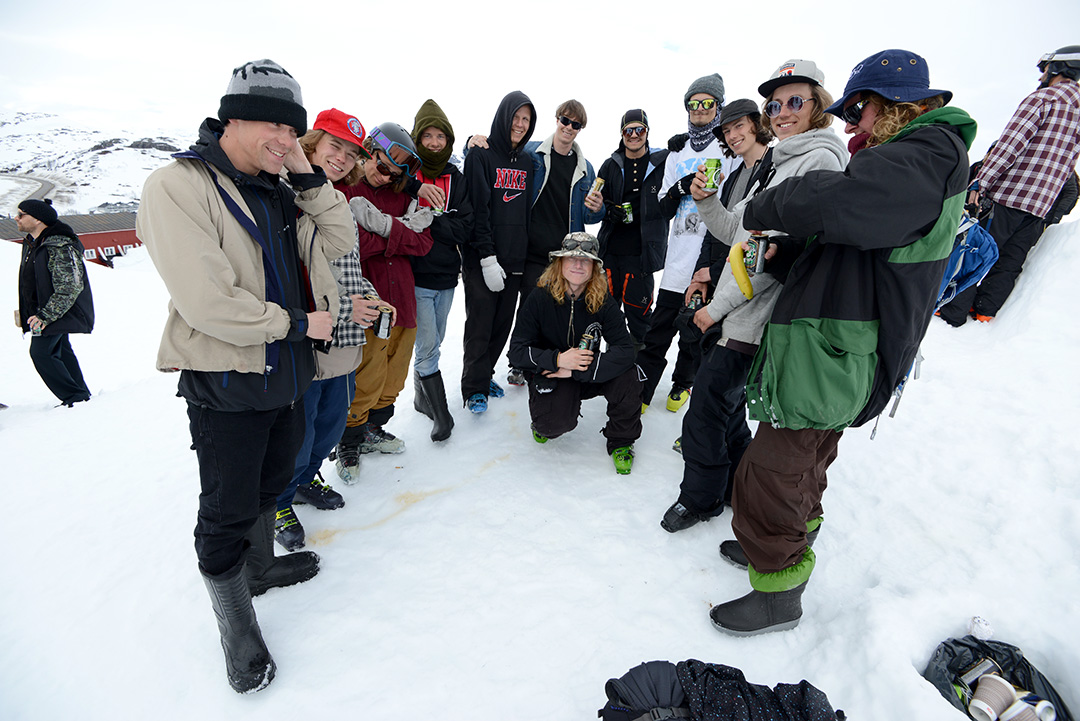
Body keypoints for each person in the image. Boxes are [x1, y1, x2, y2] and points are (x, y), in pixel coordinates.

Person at [707, 49, 975, 636]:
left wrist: (771, 204)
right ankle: (783, 542)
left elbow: (847, 203)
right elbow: (855, 245)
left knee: (771, 470)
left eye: (858, 109)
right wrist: (789, 251)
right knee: (806, 459)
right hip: (835, 339)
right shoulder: (914, 159)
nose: (852, 122)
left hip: (838, 343)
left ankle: (778, 591)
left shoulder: (927, 152)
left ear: (895, 104)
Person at [136, 59, 356, 690]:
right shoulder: (178, 185)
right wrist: (298, 324)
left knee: (271, 483)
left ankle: (259, 570)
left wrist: (306, 172)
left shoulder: (281, 189)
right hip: (227, 381)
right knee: (226, 511)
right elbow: (208, 303)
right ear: (230, 119)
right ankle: (237, 627)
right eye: (272, 125)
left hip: (286, 376)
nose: (284, 139)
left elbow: (340, 238)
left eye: (292, 129)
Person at [661, 62, 847, 534]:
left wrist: (715, 309)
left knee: (705, 411)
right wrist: (706, 199)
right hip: (739, 310)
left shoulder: (819, 163)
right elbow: (734, 230)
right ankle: (730, 490)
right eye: (774, 104)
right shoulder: (780, 163)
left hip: (757, 316)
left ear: (818, 105)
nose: (782, 112)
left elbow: (775, 255)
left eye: (795, 102)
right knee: (724, 410)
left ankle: (701, 499)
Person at [273, 108, 395, 552]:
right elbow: (293, 276)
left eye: (351, 152)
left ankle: (306, 480)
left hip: (344, 344)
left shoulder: (339, 200)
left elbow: (348, 267)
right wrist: (347, 307)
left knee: (328, 427)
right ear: (311, 145)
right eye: (334, 146)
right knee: (298, 433)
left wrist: (369, 296)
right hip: (307, 341)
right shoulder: (285, 195)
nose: (342, 158)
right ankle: (279, 501)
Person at [939, 45, 1080, 326]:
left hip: (1009, 195)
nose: (1041, 76)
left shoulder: (1044, 99)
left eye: (1045, 69)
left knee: (977, 250)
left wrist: (980, 183)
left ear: (1059, 67)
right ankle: (984, 312)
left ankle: (952, 312)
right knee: (1011, 261)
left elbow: (1009, 146)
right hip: (1040, 205)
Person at [334, 124, 433, 480]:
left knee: (394, 374)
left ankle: (372, 429)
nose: (384, 174)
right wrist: (400, 232)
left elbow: (424, 243)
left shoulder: (401, 197)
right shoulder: (345, 192)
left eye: (393, 172)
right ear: (368, 153)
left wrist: (382, 229)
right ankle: (348, 440)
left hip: (402, 299)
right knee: (367, 374)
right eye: (381, 165)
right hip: (369, 299)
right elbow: (353, 245)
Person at [637, 74, 734, 413]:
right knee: (657, 331)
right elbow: (661, 207)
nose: (700, 109)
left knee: (694, 333)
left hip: (708, 258)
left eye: (708, 103)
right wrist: (681, 187)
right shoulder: (677, 152)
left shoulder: (728, 149)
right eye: (694, 103)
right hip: (677, 258)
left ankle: (682, 383)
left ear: (718, 107)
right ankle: (642, 390)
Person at [507, 232, 641, 474]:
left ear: (594, 268)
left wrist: (577, 370)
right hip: (552, 372)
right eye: (571, 258)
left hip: (585, 371)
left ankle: (621, 441)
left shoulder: (603, 301)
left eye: (585, 260)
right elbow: (516, 352)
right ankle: (544, 416)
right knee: (551, 427)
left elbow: (625, 350)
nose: (578, 264)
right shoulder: (539, 297)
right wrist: (558, 360)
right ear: (560, 263)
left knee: (629, 376)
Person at [460, 91, 536, 413]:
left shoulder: (528, 162)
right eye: (515, 117)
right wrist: (486, 256)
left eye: (526, 119)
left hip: (515, 258)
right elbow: (478, 209)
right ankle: (473, 388)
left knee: (502, 325)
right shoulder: (480, 155)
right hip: (483, 258)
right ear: (504, 117)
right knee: (480, 325)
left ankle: (485, 374)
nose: (520, 124)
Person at [410, 99, 473, 442]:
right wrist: (441, 221)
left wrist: (429, 220)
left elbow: (464, 228)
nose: (434, 143)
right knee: (428, 345)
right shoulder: (408, 175)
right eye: (427, 136)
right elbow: (402, 225)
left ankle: (421, 397)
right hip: (415, 275)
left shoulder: (456, 178)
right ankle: (442, 417)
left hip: (448, 276)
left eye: (440, 136)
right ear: (417, 138)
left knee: (435, 340)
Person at [596, 109, 670, 347]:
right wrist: (609, 210)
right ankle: (610, 363)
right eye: (629, 131)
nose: (634, 135)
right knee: (605, 315)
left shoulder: (662, 162)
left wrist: (681, 141)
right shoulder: (610, 165)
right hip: (610, 253)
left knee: (640, 316)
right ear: (622, 134)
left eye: (640, 129)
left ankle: (639, 366)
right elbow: (596, 201)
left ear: (647, 132)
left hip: (642, 255)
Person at [16, 198, 94, 406]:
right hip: (44, 311)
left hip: (55, 311)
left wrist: (45, 315)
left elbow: (70, 286)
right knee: (61, 351)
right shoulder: (33, 243)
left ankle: (74, 397)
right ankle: (80, 396)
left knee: (41, 353)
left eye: (21, 214)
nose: (16, 218)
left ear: (38, 219)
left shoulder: (59, 245)